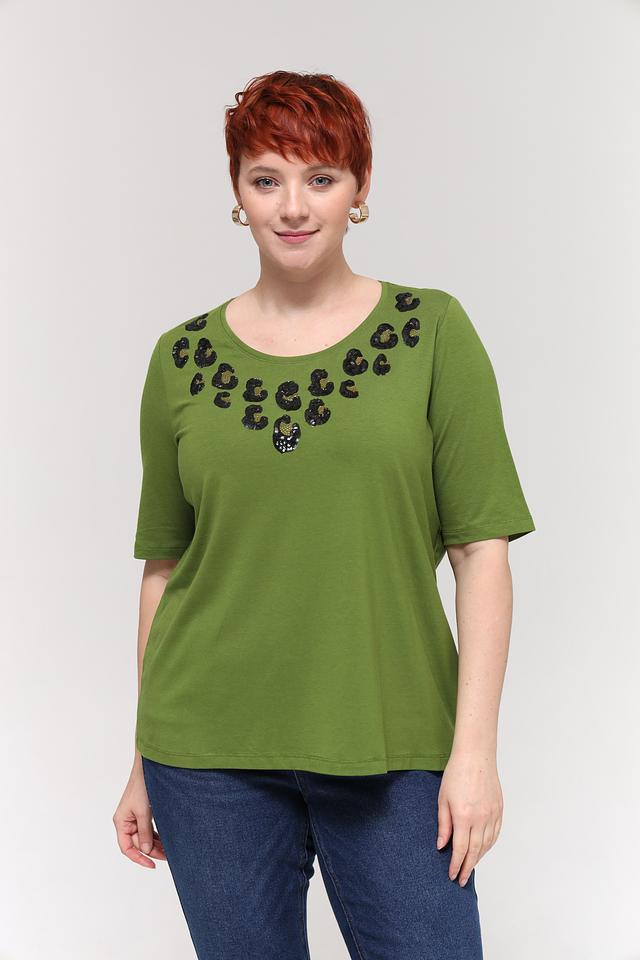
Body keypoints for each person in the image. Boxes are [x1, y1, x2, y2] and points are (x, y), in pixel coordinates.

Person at [113, 70, 535, 960]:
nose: (294, 206)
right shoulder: (180, 359)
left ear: (359, 187)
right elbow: (165, 568)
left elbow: (482, 552)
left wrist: (474, 754)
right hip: (206, 750)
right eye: (267, 179)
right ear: (237, 192)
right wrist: (142, 757)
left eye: (321, 177)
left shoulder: (432, 333)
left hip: (391, 739)